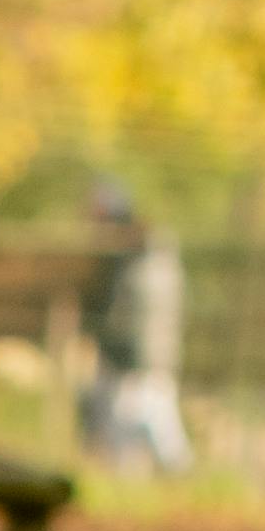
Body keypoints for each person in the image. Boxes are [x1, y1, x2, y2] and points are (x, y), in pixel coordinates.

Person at [83, 181, 193, 475]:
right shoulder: (134, 256)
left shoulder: (140, 256)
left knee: (149, 414)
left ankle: (172, 475)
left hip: (142, 355)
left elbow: (135, 316)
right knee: (136, 414)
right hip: (137, 354)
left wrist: (119, 348)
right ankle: (138, 479)